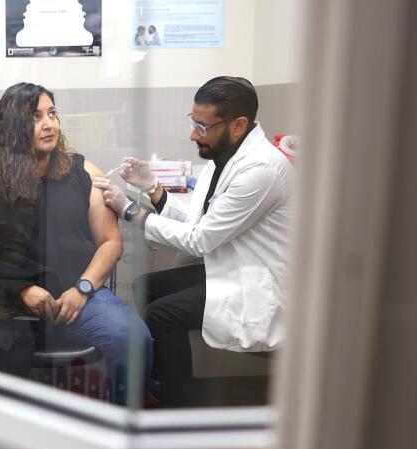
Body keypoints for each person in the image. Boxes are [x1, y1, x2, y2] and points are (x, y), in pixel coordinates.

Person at [93, 76, 294, 407]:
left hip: (262, 284)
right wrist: (154, 189)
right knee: (146, 286)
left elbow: (201, 240)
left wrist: (132, 212)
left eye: (203, 126)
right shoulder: (228, 157)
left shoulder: (260, 169)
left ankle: (178, 405)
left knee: (162, 314)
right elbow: (201, 221)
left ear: (238, 125)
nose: (193, 134)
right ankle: (167, 382)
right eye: (193, 122)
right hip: (234, 267)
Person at [0, 82, 153, 401]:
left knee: (134, 340)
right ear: (15, 127)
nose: (49, 124)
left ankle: (124, 423)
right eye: (35, 116)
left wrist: (83, 289)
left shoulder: (83, 172)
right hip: (10, 294)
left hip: (77, 292)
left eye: (53, 113)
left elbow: (111, 242)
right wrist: (21, 289)